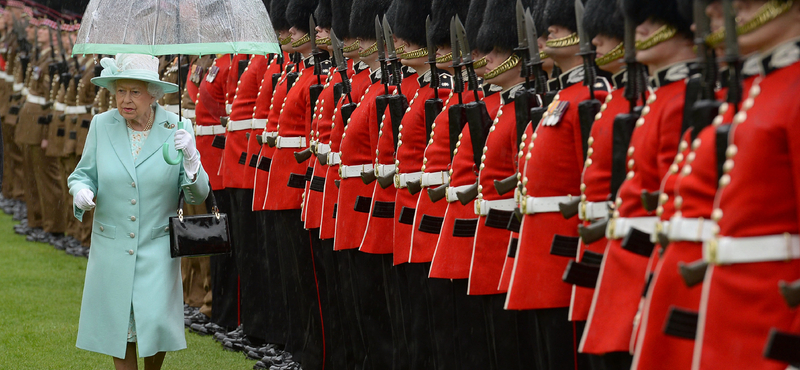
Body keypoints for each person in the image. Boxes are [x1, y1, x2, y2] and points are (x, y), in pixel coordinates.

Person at [68, 53, 209, 370]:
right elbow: (82, 174)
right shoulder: (103, 125)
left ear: (153, 94)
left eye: (134, 91)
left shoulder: (178, 127)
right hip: (111, 244)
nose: (125, 99)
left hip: (157, 246)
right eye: (120, 90)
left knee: (155, 322)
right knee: (119, 323)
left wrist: (190, 159)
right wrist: (81, 191)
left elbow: (198, 194)